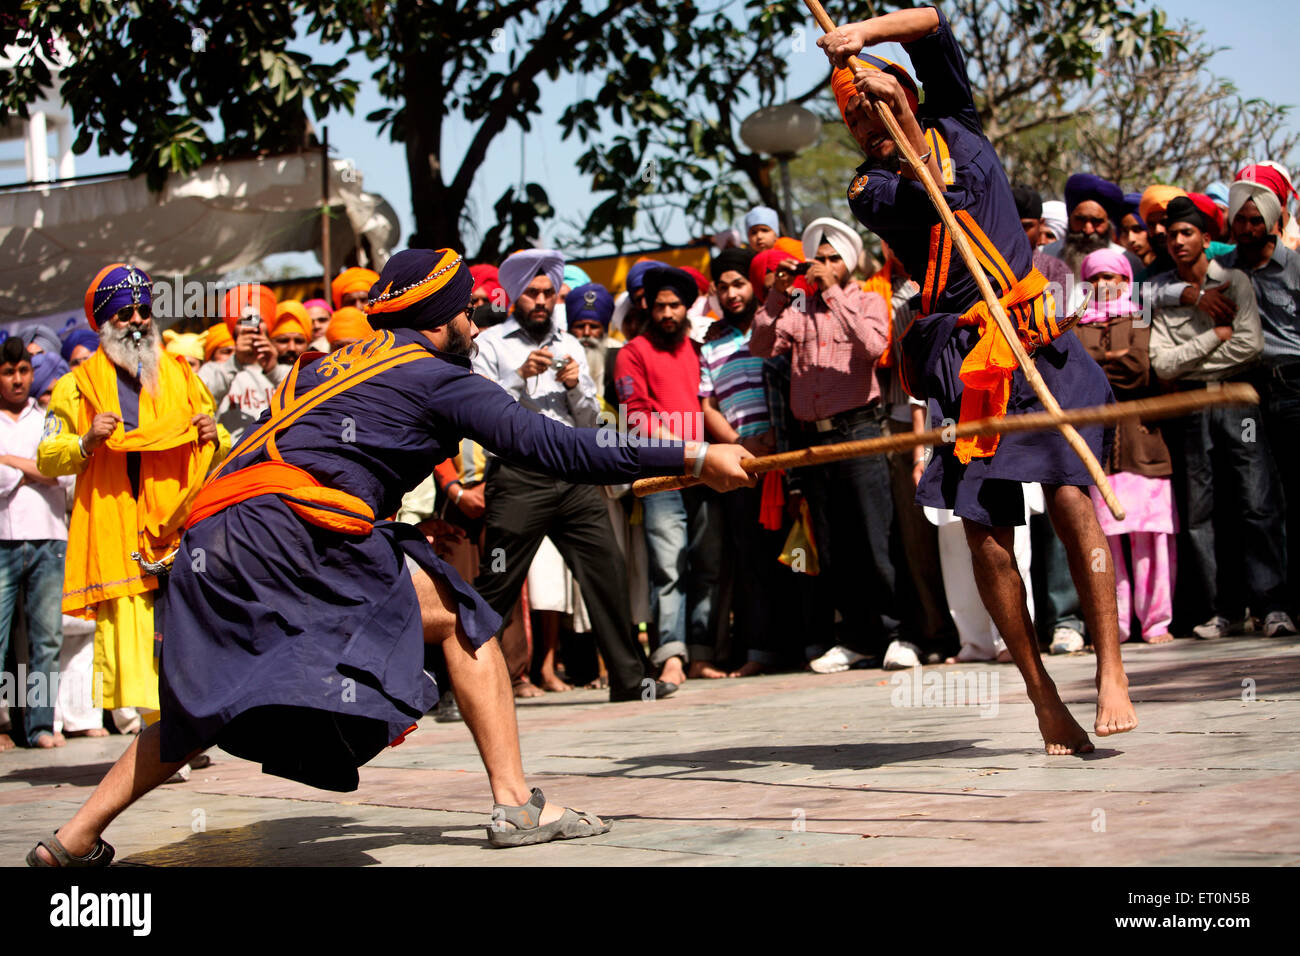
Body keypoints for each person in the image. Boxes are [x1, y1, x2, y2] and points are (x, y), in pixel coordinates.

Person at [26, 248, 752, 865]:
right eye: (469, 311)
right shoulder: (438, 376)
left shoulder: (327, 365)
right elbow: (558, 445)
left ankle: (72, 839)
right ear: (439, 320)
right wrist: (694, 452)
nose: (475, 321)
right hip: (292, 532)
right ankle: (515, 804)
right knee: (467, 620)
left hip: (219, 533)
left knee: (207, 698)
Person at [819, 4, 1137, 753]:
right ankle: (1040, 690)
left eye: (877, 102)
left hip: (1036, 344)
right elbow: (928, 208)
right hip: (968, 365)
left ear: (905, 92)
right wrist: (902, 159)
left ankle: (1112, 667)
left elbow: (930, 22)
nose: (870, 122)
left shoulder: (957, 117)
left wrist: (862, 36)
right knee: (985, 528)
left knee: (1070, 494)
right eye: (856, 122)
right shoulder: (872, 190)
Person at [35, 264, 231, 744]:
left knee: (185, 633)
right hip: (117, 527)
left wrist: (215, 435)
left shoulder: (182, 375)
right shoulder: (76, 386)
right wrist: (84, 442)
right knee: (133, 641)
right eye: (126, 314)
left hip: (177, 527)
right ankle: (160, 737)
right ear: (105, 324)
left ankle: (183, 730)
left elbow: (218, 436)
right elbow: (46, 453)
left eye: (145, 310)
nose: (139, 321)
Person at [473, 249, 680, 702]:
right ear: (513, 296)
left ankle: (631, 679)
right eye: (532, 293)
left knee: (608, 569)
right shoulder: (490, 345)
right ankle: (457, 685)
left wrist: (576, 387)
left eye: (548, 293)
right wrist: (519, 381)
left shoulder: (569, 345)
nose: (542, 301)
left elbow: (589, 422)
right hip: (518, 476)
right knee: (497, 582)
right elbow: (481, 418)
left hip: (572, 473)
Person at [751, 215, 899, 673]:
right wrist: (778, 292)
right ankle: (855, 638)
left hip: (860, 433)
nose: (824, 265)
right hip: (813, 442)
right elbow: (759, 345)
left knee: (875, 540)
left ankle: (894, 633)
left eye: (834, 259)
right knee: (834, 547)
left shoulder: (870, 301)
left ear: (849, 264)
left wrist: (832, 294)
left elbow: (873, 348)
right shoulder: (796, 309)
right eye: (820, 258)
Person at [1147, 196, 1293, 638]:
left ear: (1206, 239)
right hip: (1190, 407)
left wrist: (1191, 361)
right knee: (1200, 512)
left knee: (1256, 502)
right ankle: (1219, 611)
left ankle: (1272, 607)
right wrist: (1213, 336)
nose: (1177, 241)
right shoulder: (1161, 292)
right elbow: (1163, 364)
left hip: (1238, 399)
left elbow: (1248, 346)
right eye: (1171, 234)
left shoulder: (1235, 283)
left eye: (1186, 233)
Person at [616, 266, 721, 683]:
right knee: (669, 566)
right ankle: (670, 657)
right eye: (659, 306)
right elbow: (637, 417)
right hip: (661, 473)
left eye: (675, 305)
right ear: (648, 307)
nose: (667, 313)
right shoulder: (632, 351)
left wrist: (708, 457)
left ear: (686, 308)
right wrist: (690, 452)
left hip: (707, 472)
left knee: (708, 563)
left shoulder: (698, 350)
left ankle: (701, 655)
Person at [1073, 249, 1176, 645]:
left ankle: (1156, 624)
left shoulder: (1141, 316)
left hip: (1142, 443)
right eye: (1094, 278)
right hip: (1097, 448)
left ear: (1125, 280)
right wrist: (1110, 357)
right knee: (1104, 542)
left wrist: (1099, 360)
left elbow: (1138, 369)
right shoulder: (1075, 323)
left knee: (1150, 539)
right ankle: (1114, 627)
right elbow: (1076, 375)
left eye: (1110, 277)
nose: (1102, 285)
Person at [1216, 170, 1300, 620]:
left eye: (1255, 220)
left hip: (1294, 386)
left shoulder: (1296, 268)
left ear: (1273, 220)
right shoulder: (1223, 271)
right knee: (1256, 499)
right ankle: (1272, 605)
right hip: (1245, 391)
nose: (1247, 228)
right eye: (1240, 220)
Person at [0, 338, 71, 749]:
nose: (17, 380)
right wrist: (35, 470)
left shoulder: (48, 418)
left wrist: (10, 462)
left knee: (46, 637)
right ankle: (4, 723)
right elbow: (46, 469)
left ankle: (41, 726)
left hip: (48, 536)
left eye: (23, 371)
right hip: (4, 539)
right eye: (8, 372)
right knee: (2, 639)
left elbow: (63, 473)